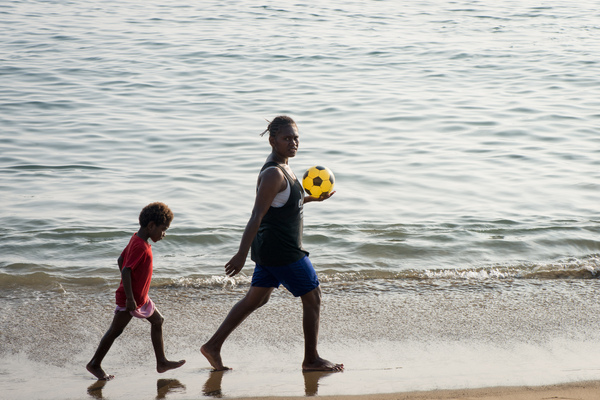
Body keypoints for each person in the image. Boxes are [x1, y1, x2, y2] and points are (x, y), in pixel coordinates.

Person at [201, 115, 343, 372]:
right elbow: (257, 215)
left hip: (270, 250)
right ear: (272, 140)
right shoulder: (273, 174)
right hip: (283, 251)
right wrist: (241, 254)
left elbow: (286, 202)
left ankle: (212, 346)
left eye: (296, 137)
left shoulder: (285, 167)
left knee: (256, 299)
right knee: (314, 298)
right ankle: (311, 360)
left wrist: (311, 199)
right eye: (286, 138)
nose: (293, 142)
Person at [86, 202, 186, 380]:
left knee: (158, 321)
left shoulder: (137, 239)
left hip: (141, 298)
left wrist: (133, 287)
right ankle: (94, 363)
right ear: (151, 226)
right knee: (115, 331)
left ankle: (161, 362)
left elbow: (120, 260)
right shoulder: (140, 245)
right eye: (163, 229)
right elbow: (125, 269)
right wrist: (130, 296)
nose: (164, 234)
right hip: (131, 299)